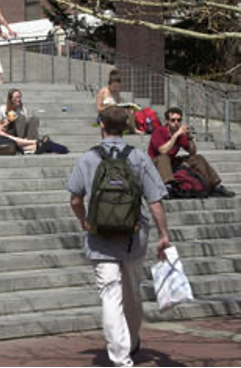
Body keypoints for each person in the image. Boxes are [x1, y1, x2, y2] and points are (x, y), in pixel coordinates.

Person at [67, 106, 172, 367]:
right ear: (125, 127)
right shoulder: (138, 157)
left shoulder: (89, 158)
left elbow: (75, 199)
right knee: (132, 293)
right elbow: (155, 200)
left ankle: (120, 358)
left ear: (101, 125)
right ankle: (133, 339)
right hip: (133, 238)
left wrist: (83, 221)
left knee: (110, 295)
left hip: (99, 237)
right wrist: (163, 234)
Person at [148, 107, 235, 197]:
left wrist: (189, 137)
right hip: (155, 163)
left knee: (197, 158)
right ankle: (168, 187)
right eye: (173, 120)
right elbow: (162, 150)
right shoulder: (159, 132)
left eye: (179, 120)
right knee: (164, 157)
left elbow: (192, 152)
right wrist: (175, 135)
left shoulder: (180, 135)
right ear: (167, 121)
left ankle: (216, 186)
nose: (176, 123)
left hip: (170, 163)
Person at [96, 69, 144, 135]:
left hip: (116, 112)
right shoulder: (102, 92)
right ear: (110, 84)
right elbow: (98, 109)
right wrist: (109, 106)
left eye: (117, 86)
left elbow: (118, 104)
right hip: (105, 114)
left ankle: (134, 129)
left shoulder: (116, 92)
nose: (116, 88)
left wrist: (125, 106)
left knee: (131, 110)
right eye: (114, 86)